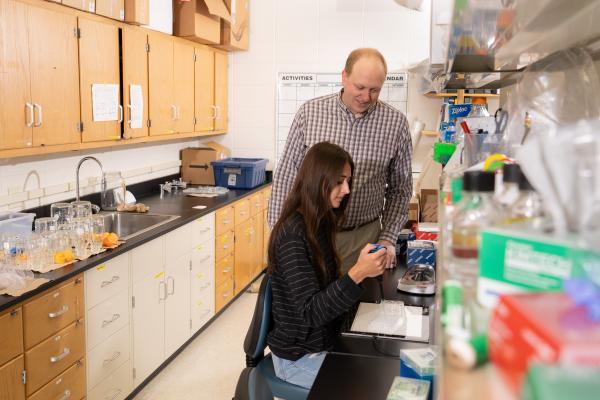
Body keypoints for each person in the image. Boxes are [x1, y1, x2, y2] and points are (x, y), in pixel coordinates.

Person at [268, 47, 412, 272]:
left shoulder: (396, 124)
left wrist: (387, 239)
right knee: (313, 304)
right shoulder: (310, 113)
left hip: (363, 239)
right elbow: (286, 177)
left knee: (360, 304)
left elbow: (400, 189)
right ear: (344, 76)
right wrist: (278, 234)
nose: (366, 97)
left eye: (375, 90)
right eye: (360, 87)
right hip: (311, 235)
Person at [267, 142, 388, 390]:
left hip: (322, 342)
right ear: (317, 180)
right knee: (373, 388)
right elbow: (310, 313)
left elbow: (326, 291)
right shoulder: (293, 234)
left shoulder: (319, 222)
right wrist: (357, 273)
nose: (346, 190)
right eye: (339, 181)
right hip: (298, 357)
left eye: (348, 181)